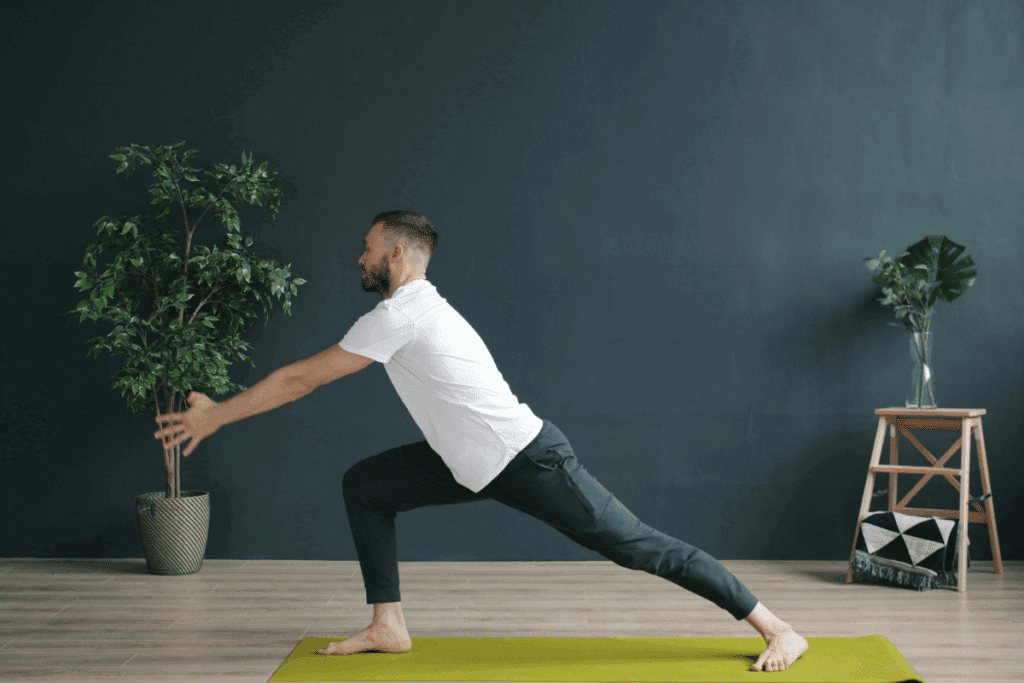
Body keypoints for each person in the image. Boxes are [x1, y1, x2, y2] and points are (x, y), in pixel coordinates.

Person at [153, 210, 809, 672]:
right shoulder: (413, 310)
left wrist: (217, 415)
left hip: (526, 456)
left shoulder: (403, 313)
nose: (359, 256)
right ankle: (389, 623)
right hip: (466, 463)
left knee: (639, 547)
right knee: (367, 486)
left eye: (368, 246)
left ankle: (778, 627)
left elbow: (300, 380)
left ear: (397, 255)